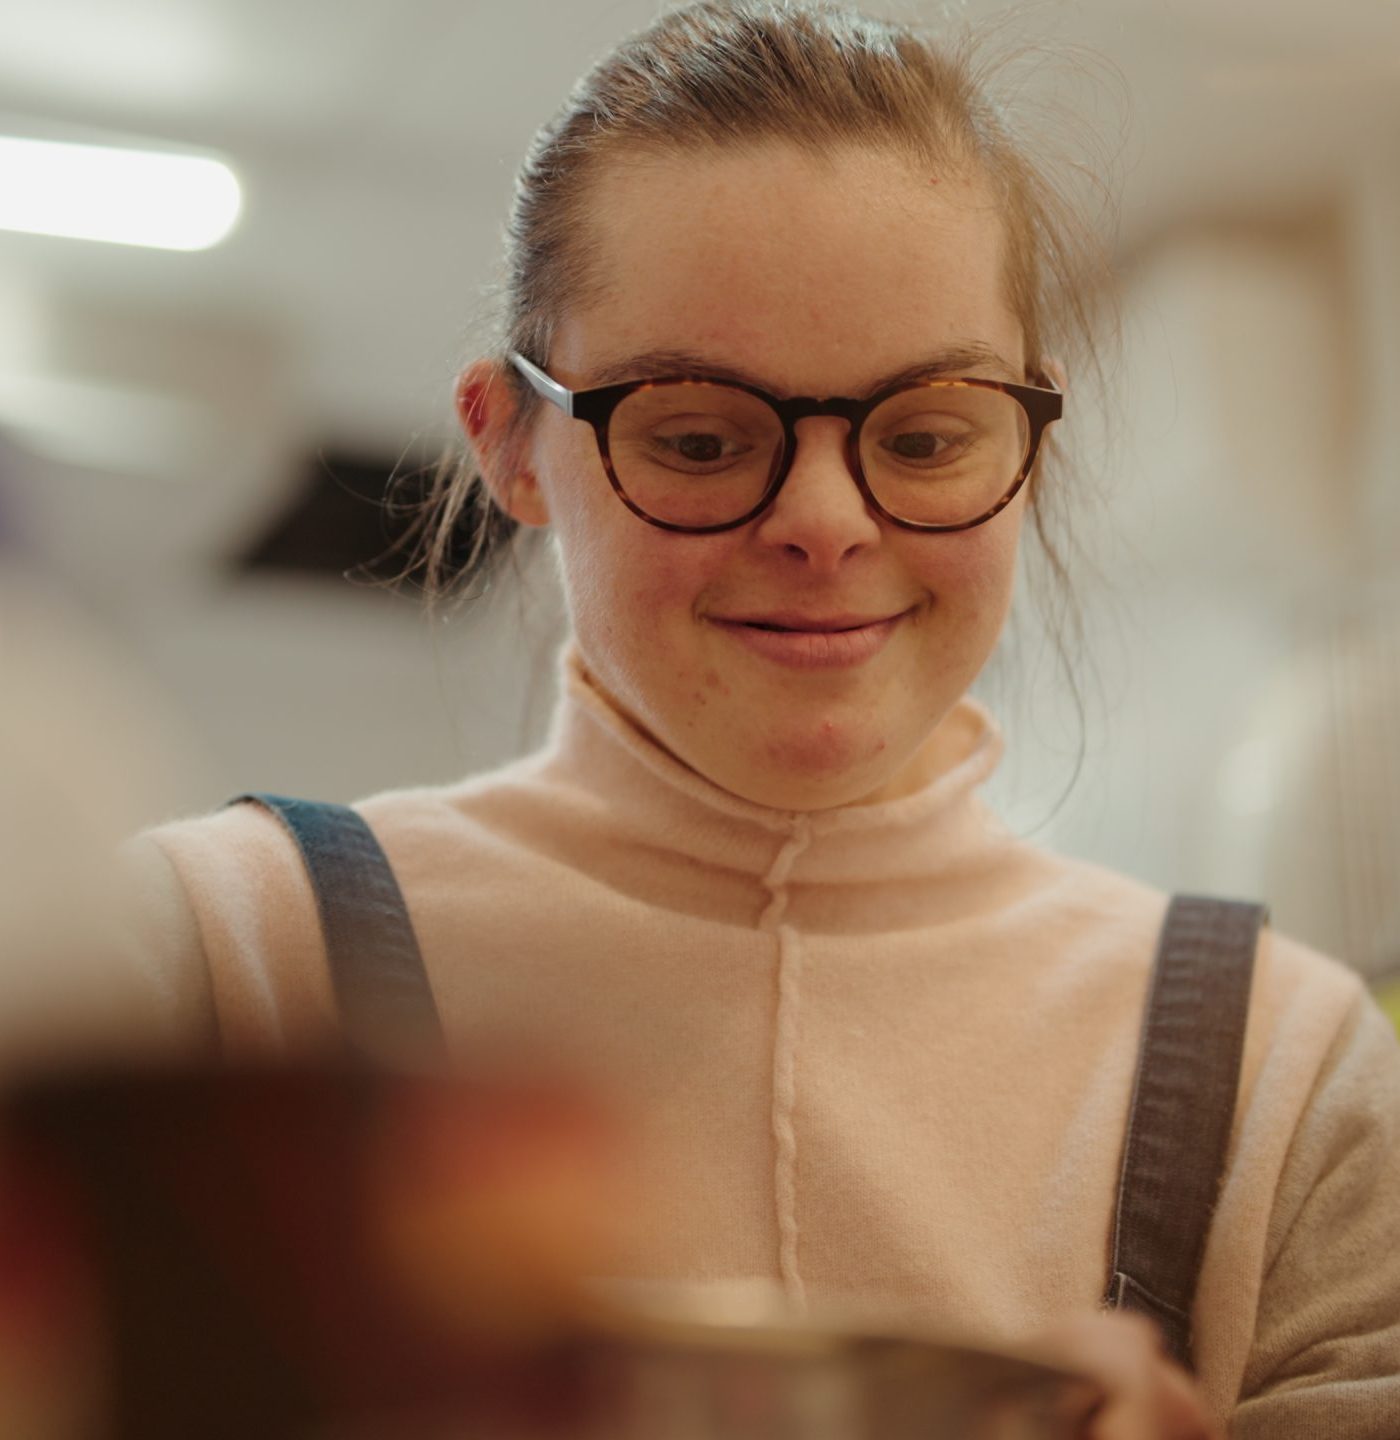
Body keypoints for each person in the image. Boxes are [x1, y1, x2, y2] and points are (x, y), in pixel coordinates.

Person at [117, 2, 1400, 1435]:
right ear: (510, 444)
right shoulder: (205, 970)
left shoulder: (1282, 1074)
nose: (825, 521)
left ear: (1031, 446)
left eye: (923, 435)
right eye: (700, 438)